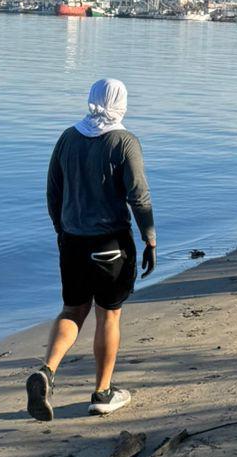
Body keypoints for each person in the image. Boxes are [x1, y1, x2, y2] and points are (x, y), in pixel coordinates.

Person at [27, 77, 157, 421]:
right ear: (121, 103)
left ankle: (47, 372)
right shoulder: (124, 142)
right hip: (109, 245)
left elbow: (53, 192)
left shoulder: (68, 138)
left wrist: (61, 231)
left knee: (72, 311)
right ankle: (102, 392)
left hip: (71, 241)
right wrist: (150, 238)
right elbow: (138, 196)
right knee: (108, 314)